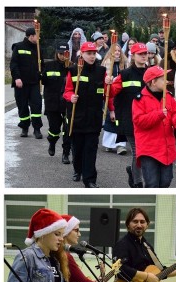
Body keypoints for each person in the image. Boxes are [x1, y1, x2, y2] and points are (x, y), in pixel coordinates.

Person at [63, 41, 112, 188]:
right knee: (77, 149)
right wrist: (71, 97)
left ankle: (90, 179)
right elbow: (66, 91)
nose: (91, 56)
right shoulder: (73, 70)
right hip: (76, 118)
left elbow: (108, 94)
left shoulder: (101, 71)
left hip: (94, 118)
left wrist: (110, 84)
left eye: (93, 54)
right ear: (82, 54)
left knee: (91, 150)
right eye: (88, 54)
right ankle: (77, 170)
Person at [133, 65, 176, 187]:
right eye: (162, 79)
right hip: (149, 149)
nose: (166, 81)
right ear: (153, 82)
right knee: (152, 183)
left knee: (166, 181)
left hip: (166, 147)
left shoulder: (168, 96)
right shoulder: (139, 100)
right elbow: (139, 121)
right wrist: (158, 115)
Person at [110, 42, 149, 188]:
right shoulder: (124, 74)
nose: (144, 56)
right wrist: (109, 84)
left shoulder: (152, 72)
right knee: (138, 152)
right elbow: (112, 92)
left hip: (148, 120)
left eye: (145, 53)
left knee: (144, 153)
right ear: (133, 56)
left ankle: (133, 172)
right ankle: (138, 182)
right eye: (140, 54)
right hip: (130, 119)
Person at [10, 27, 44, 139]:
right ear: (31, 36)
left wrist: (42, 74)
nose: (39, 37)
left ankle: (37, 129)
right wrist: (17, 78)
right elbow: (14, 64)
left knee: (37, 105)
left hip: (34, 83)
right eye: (37, 35)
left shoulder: (38, 49)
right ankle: (24, 127)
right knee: (22, 106)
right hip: (21, 83)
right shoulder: (18, 47)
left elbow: (42, 65)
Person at [41, 43, 72, 163]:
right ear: (56, 53)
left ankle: (66, 153)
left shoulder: (72, 68)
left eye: (65, 54)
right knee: (54, 129)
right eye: (60, 54)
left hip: (66, 103)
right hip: (52, 102)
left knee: (67, 130)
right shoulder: (49, 65)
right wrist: (40, 75)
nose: (62, 56)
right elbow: (43, 82)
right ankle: (52, 142)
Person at [100, 43, 127, 155]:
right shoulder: (105, 67)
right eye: (114, 51)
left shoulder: (125, 65)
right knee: (111, 120)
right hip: (111, 95)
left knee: (121, 120)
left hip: (122, 96)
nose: (117, 53)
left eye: (118, 51)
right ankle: (109, 144)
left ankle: (121, 144)